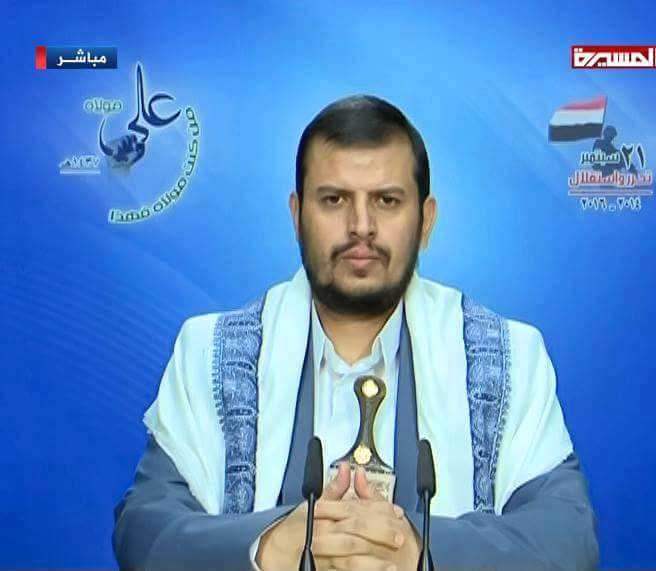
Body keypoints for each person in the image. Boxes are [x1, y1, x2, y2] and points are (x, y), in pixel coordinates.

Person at [113, 94, 600, 571]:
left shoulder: (509, 356)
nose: (361, 226)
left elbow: (567, 541)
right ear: (297, 215)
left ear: (426, 221)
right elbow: (145, 534)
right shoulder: (210, 351)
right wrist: (267, 546)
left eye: (387, 201)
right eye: (334, 200)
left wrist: (418, 548)